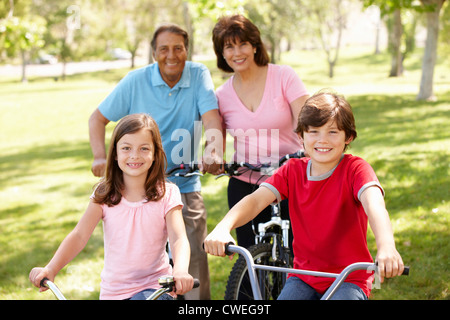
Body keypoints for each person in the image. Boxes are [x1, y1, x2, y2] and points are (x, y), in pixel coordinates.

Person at [204, 91, 405, 300]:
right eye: (314, 132)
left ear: (349, 136)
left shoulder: (355, 170)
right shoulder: (292, 171)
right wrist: (223, 227)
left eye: (333, 132)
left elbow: (374, 205)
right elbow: (255, 201)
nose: (322, 140)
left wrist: (386, 246)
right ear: (300, 136)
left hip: (349, 278)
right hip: (304, 277)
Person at [88, 24, 222, 299]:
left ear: (187, 51)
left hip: (183, 182)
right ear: (153, 53)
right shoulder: (135, 80)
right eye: (164, 49)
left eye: (178, 48)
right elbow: (97, 118)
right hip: (136, 187)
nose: (171, 55)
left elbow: (211, 117)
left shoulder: (198, 75)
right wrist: (100, 156)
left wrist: (213, 149)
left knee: (192, 256)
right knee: (143, 264)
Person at [30, 114, 194, 300]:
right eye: (126, 148)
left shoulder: (167, 193)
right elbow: (80, 235)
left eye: (144, 148)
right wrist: (51, 268)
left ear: (155, 153)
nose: (134, 155)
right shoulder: (105, 194)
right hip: (113, 293)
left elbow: (179, 238)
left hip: (154, 288)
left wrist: (180, 271)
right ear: (115, 153)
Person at [211, 14, 309, 250]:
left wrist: (309, 152)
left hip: (290, 176)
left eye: (243, 44)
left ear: (254, 46)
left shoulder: (283, 76)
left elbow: (309, 123)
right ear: (222, 53)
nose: (237, 53)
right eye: (229, 47)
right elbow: (215, 143)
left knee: (299, 251)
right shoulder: (221, 95)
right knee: (249, 259)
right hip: (244, 181)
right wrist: (212, 157)